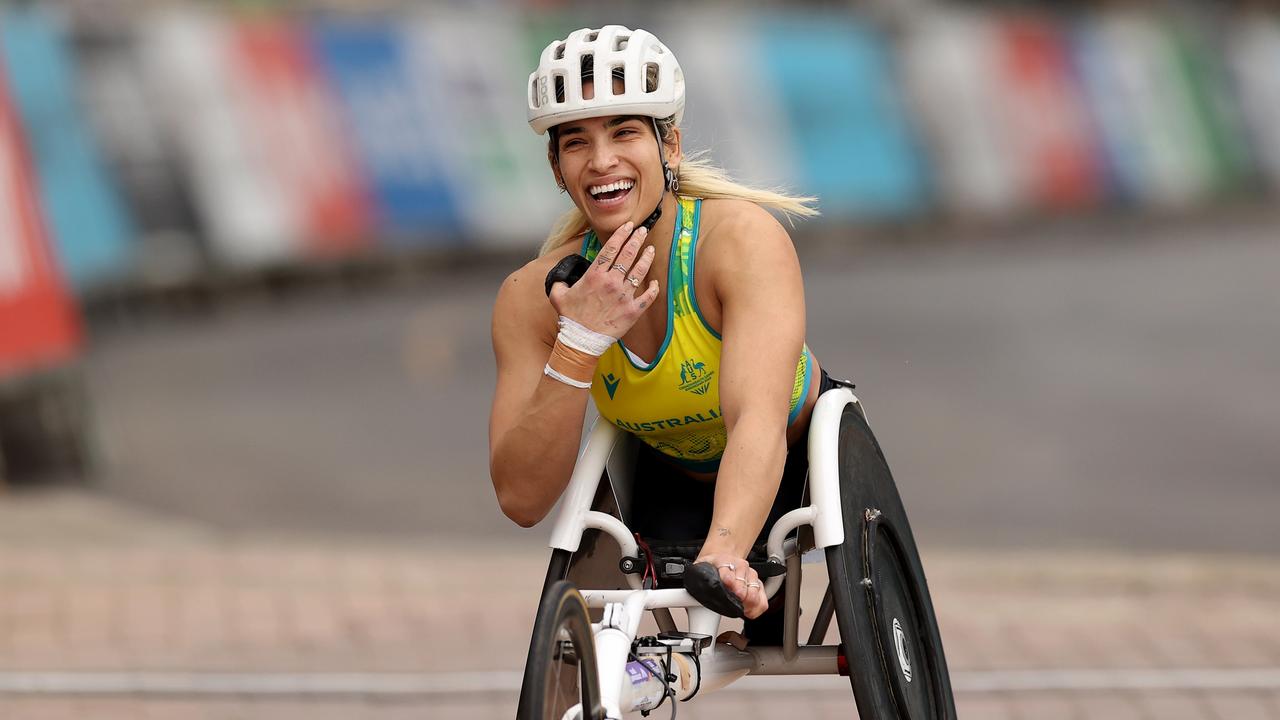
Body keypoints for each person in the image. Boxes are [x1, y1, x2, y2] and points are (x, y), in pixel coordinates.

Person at [489, 25, 840, 638]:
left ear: (669, 144)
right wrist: (579, 344)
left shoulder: (738, 243)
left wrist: (727, 549)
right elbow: (522, 499)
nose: (601, 162)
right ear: (556, 167)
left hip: (791, 464)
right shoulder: (532, 297)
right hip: (662, 483)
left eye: (624, 132)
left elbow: (756, 421)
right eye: (576, 142)